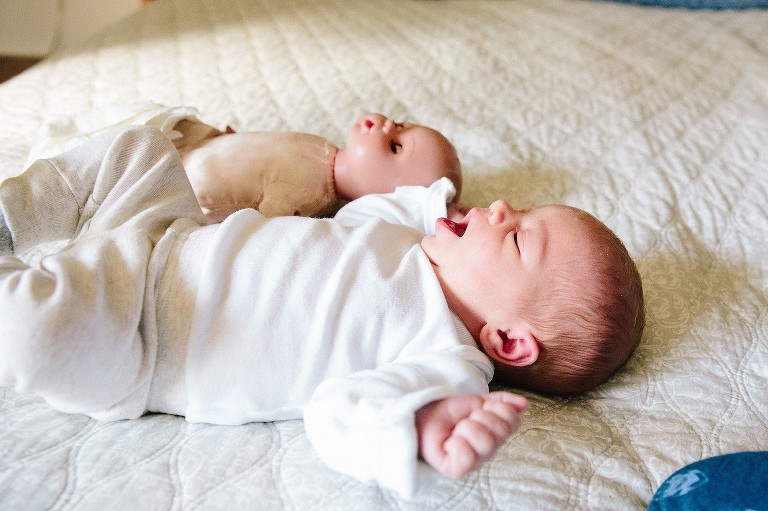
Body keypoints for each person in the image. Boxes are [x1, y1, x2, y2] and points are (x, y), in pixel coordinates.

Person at [0, 126, 644, 499]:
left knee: (38, 337)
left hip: (133, 344)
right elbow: (408, 194)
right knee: (138, 148)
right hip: (161, 239)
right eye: (520, 212)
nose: (503, 208)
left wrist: (421, 430)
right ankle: (11, 215)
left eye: (517, 237)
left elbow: (339, 416)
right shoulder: (409, 236)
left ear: (507, 340)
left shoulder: (444, 356)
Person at [25, 103, 463, 223]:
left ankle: (55, 193)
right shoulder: (321, 148)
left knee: (117, 174)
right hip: (195, 149)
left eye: (395, 146)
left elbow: (259, 228)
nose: (387, 126)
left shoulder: (310, 200)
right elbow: (266, 154)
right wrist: (227, 141)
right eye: (401, 125)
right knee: (149, 125)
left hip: (183, 184)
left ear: (385, 196)